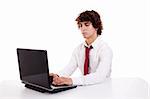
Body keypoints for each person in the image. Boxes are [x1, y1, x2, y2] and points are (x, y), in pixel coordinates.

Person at [50, 10, 113, 86]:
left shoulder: (105, 49)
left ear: (96, 26)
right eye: (80, 25)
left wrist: (71, 81)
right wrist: (57, 76)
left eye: (86, 25)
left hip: (103, 89)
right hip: (85, 90)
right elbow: (69, 68)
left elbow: (100, 76)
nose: (82, 29)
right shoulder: (78, 49)